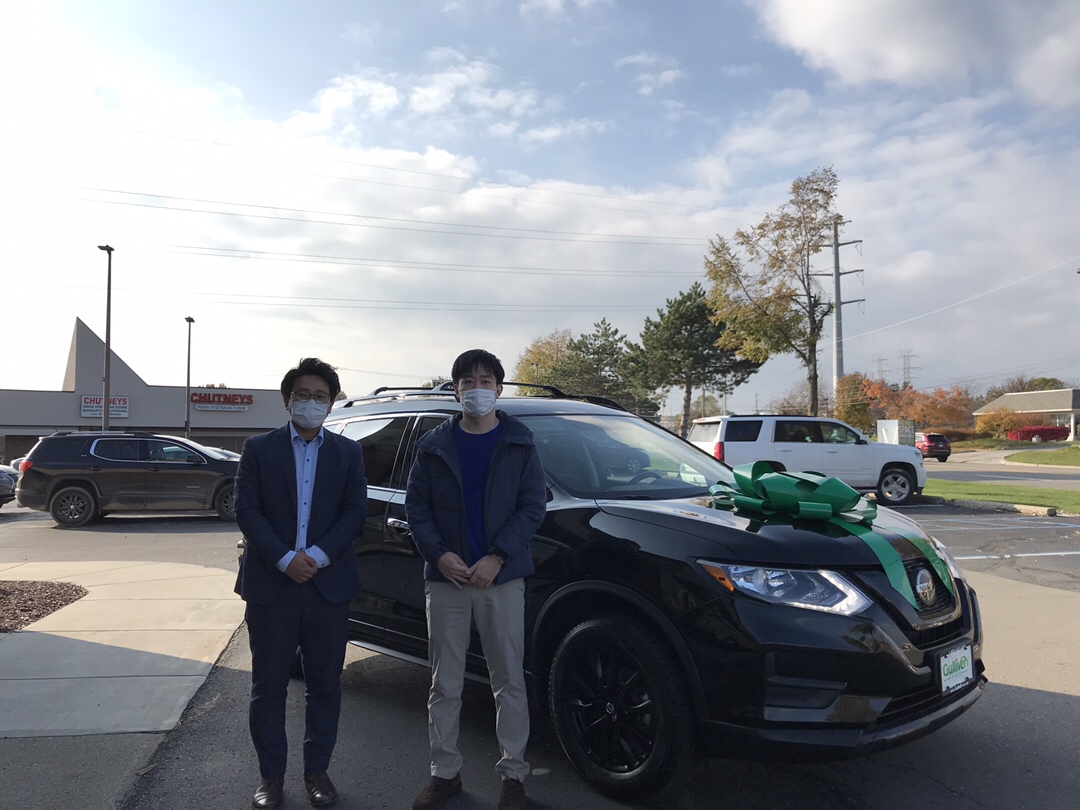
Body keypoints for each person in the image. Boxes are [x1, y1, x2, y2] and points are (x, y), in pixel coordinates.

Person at [406, 349, 547, 810]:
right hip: (446, 580)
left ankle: (514, 777)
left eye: (486, 381)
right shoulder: (433, 445)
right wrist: (439, 554)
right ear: (455, 390)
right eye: (468, 382)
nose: (477, 389)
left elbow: (533, 506)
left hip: (500, 580)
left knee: (508, 681)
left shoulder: (520, 442)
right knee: (444, 683)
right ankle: (444, 773)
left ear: (499, 389)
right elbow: (417, 508)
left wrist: (498, 556)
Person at [234, 358, 367, 810]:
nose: (311, 402)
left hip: (327, 588)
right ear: (287, 400)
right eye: (303, 395)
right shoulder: (258, 449)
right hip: (271, 586)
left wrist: (318, 556)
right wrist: (286, 559)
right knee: (268, 687)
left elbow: (354, 512)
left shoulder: (348, 453)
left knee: (325, 685)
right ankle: (270, 777)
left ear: (331, 404)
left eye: (320, 396)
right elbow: (247, 511)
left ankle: (317, 772)